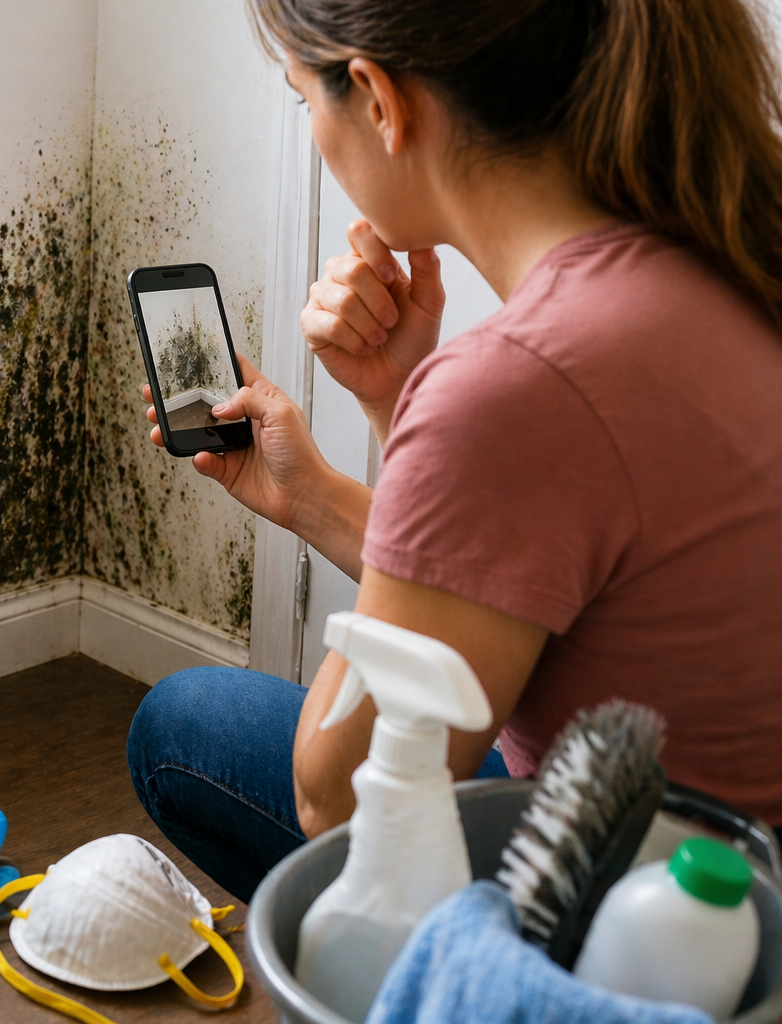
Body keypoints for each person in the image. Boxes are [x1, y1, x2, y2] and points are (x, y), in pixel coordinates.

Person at [129, 0, 782, 904]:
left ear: (378, 99)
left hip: (635, 921)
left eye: (301, 100)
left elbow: (338, 798)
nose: (312, 130)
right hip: (738, 873)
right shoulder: (722, 253)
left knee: (179, 726)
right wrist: (388, 416)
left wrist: (445, 413)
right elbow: (527, 584)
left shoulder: (525, 381)